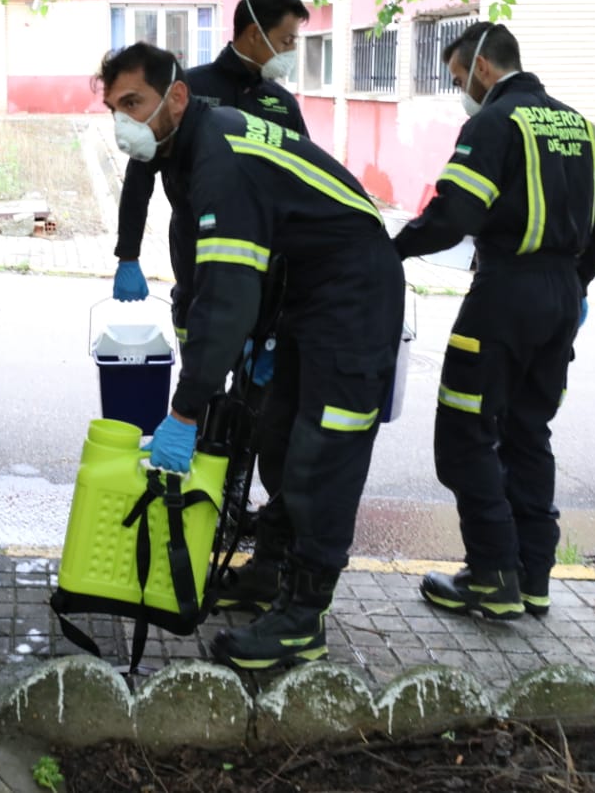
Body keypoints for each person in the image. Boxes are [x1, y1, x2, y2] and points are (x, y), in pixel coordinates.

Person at [98, 42, 404, 669]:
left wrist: (185, 410)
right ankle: (270, 574)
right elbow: (219, 276)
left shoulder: (219, 157)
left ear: (175, 97)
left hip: (354, 293)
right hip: (307, 290)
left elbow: (229, 296)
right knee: (282, 436)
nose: (121, 120)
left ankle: (302, 618)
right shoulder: (188, 146)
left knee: (325, 448)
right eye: (112, 108)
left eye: (132, 103)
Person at [392, 22, 595, 620]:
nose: (463, 89)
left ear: (484, 68)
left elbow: (455, 212)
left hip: (504, 295)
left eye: (461, 78)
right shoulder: (581, 127)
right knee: (527, 432)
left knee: (465, 433)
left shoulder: (494, 122)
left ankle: (491, 577)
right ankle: (532, 579)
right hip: (562, 295)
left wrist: (390, 249)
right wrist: (570, 286)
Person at [110, 0, 311, 339]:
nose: (292, 50)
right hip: (196, 264)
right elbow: (140, 175)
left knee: (257, 390)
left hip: (266, 271)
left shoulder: (282, 104)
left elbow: (305, 183)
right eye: (286, 41)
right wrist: (128, 255)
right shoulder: (187, 92)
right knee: (201, 380)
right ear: (253, 34)